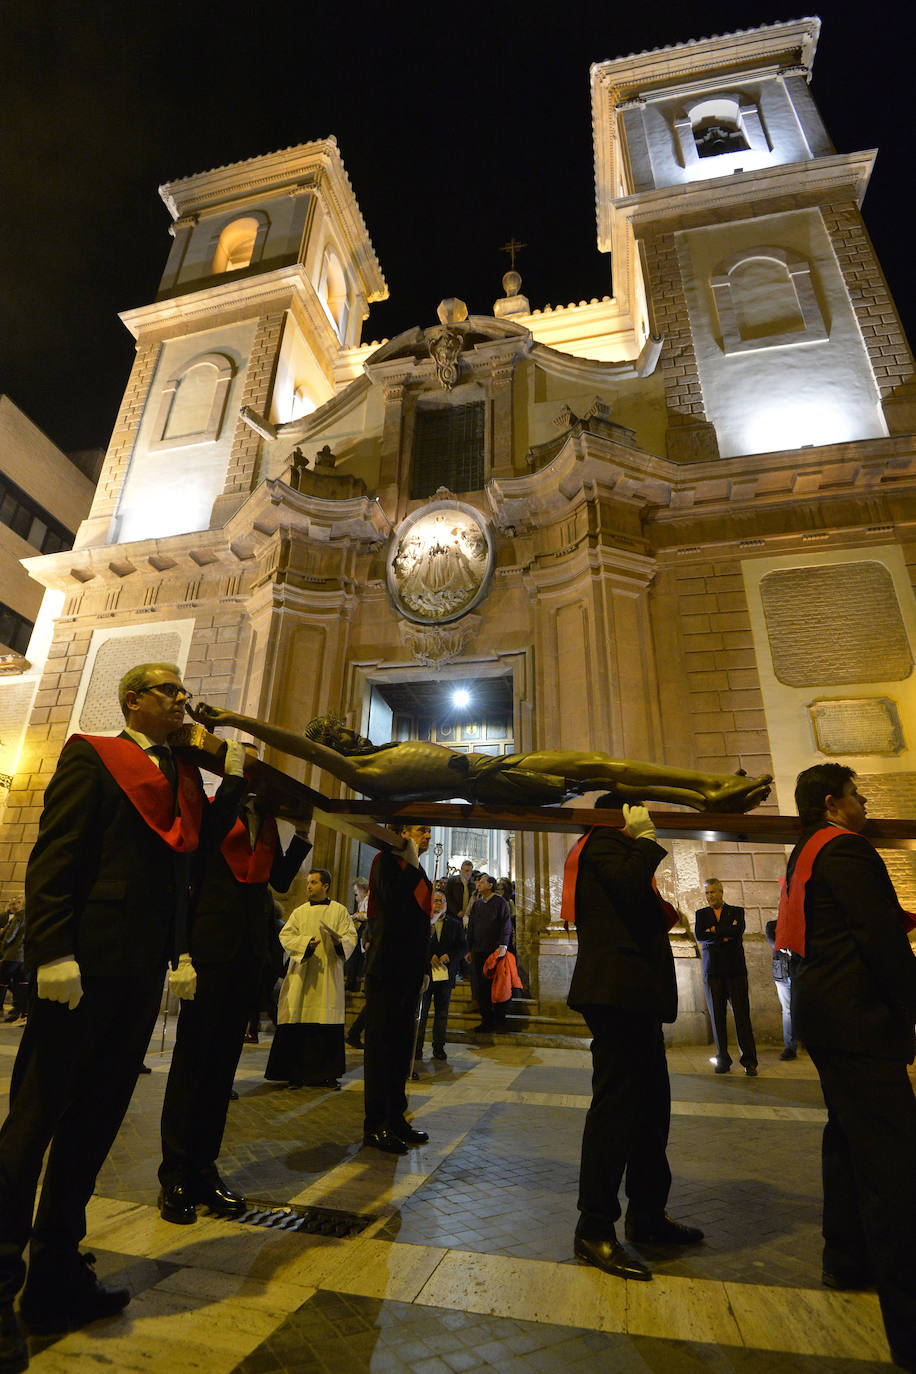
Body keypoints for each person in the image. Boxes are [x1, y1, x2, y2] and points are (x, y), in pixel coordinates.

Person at [0, 663, 245, 1372]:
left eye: (182, 691)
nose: (180, 698)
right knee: (33, 1125)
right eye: (167, 690)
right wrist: (51, 952)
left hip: (138, 978)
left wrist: (183, 950)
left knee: (94, 1126)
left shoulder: (183, 780)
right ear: (133, 700)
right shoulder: (91, 755)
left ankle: (53, 1280)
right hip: (78, 973)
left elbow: (188, 869)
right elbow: (53, 858)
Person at [776, 764, 916, 1371]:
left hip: (825, 1015)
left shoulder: (805, 848)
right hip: (858, 1019)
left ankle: (846, 1256)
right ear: (834, 804)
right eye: (858, 795)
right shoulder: (848, 850)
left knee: (846, 1140)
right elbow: (880, 939)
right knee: (894, 1167)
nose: (865, 805)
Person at [563, 799, 703, 1282]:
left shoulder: (614, 849)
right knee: (616, 1111)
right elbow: (625, 888)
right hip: (616, 994)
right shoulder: (603, 842)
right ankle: (593, 1227)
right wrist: (645, 841)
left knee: (651, 1111)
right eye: (637, 810)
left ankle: (647, 1214)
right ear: (620, 815)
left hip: (635, 996)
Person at [157, 792, 311, 1224]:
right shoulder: (213, 810)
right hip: (209, 954)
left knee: (222, 1070)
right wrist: (182, 954)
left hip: (246, 959)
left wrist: (300, 833)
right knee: (192, 1066)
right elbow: (197, 860)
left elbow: (279, 879)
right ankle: (175, 1175)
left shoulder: (263, 823)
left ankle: (204, 1168)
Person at [189, 703, 772, 813]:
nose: (342, 736)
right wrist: (237, 721)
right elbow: (295, 745)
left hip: (502, 767)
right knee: (602, 770)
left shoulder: (383, 751)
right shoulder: (359, 772)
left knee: (601, 770)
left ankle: (705, 792)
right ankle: (706, 787)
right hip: (495, 782)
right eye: (333, 737)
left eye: (339, 731)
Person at [362, 822, 432, 1154]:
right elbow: (391, 902)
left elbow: (419, 923)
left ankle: (396, 1117)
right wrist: (413, 864)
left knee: (402, 1049)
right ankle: (376, 1124)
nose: (428, 836)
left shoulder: (416, 869)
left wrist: (423, 968)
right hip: (386, 970)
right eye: (421, 830)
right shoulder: (385, 862)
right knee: (381, 1051)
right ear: (402, 833)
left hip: (408, 971)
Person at [265, 869, 356, 1089]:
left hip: (327, 976)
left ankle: (326, 1075)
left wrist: (337, 942)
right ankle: (295, 1075)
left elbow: (350, 938)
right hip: (302, 976)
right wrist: (305, 944)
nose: (309, 886)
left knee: (325, 1023)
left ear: (325, 886)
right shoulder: (299, 912)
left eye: (314, 882)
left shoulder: (339, 911)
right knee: (298, 1021)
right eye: (308, 882)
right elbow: (285, 936)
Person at [694, 878, 758, 1076]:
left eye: (713, 892)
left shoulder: (736, 911)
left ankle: (749, 1061)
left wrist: (713, 931)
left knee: (742, 1016)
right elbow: (699, 935)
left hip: (735, 971)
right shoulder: (701, 914)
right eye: (707, 893)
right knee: (717, 1017)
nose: (710, 896)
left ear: (721, 892)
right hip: (712, 972)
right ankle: (723, 1060)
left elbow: (737, 932)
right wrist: (723, 934)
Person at [415, 889, 467, 1062]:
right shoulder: (423, 923)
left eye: (441, 901)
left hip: (445, 975)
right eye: (435, 900)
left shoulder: (455, 924)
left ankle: (439, 1047)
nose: (438, 904)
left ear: (446, 904)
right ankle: (417, 1048)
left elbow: (462, 947)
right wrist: (429, 955)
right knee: (421, 1013)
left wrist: (449, 956)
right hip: (426, 974)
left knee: (441, 1013)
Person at [466, 873, 513, 1033]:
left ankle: (500, 1021)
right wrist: (469, 948)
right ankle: (486, 1020)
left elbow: (506, 925)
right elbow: (471, 926)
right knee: (481, 987)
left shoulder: (500, 902)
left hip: (495, 951)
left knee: (497, 986)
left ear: (490, 885)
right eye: (478, 881)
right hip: (478, 950)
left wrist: (503, 945)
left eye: (482, 881)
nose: (478, 883)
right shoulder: (477, 904)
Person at [764, 918, 796, 1060]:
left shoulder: (800, 923)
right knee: (787, 1011)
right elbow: (775, 943)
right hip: (782, 974)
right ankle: (790, 1047)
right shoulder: (772, 925)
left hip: (798, 972)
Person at [0, 899, 28, 1025]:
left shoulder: (19, 916)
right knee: (20, 984)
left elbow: (10, 935)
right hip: (24, 956)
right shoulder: (32, 915)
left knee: (2, 982)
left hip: (12, 955)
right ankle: (19, 1011)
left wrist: (2, 947)